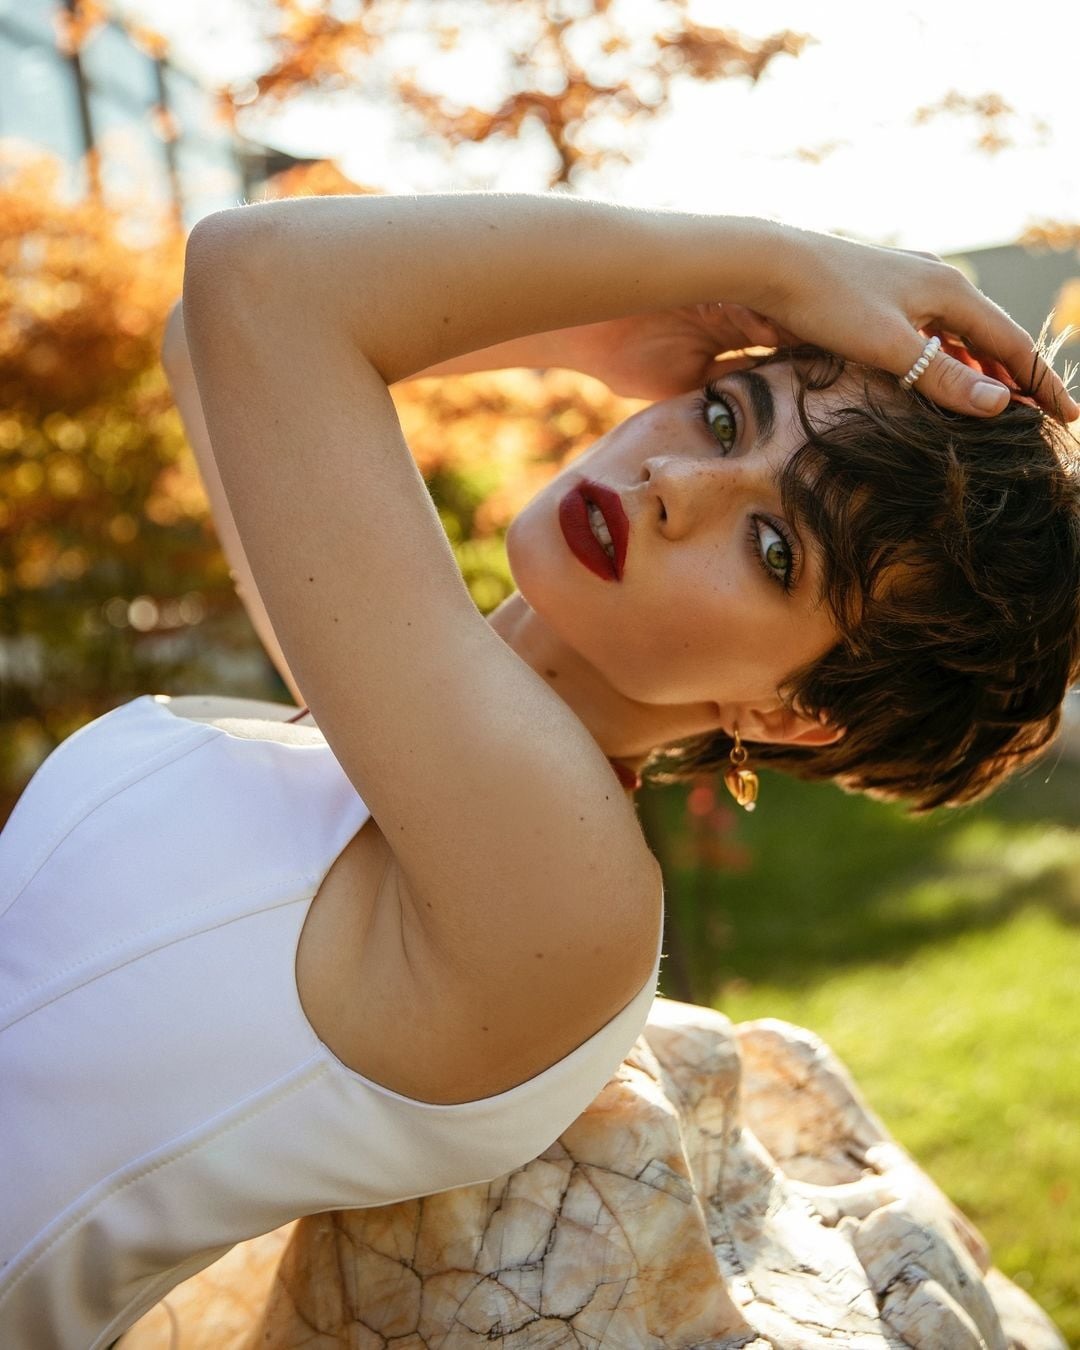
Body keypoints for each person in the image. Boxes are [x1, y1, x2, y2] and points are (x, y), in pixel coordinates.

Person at [1, 193, 1077, 1349]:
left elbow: (261, 278)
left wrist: (774, 263)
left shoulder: (556, 878)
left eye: (775, 547)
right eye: (725, 415)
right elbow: (205, 335)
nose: (677, 480)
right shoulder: (375, 727)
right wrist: (599, 335)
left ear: (791, 711)